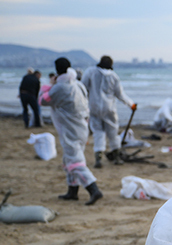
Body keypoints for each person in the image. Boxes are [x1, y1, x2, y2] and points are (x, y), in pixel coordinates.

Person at [40, 57, 103, 205]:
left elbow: (42, 101)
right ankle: (72, 191)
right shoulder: (78, 85)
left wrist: (48, 85)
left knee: (75, 161)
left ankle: (93, 189)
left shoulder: (59, 87)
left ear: (57, 70)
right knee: (69, 159)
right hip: (82, 127)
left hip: (69, 130)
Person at [82, 55, 136, 167]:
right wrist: (131, 104)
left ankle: (98, 158)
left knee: (98, 133)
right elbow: (120, 94)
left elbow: (83, 88)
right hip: (110, 109)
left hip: (94, 107)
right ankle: (116, 157)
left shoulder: (91, 72)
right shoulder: (114, 76)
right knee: (113, 133)